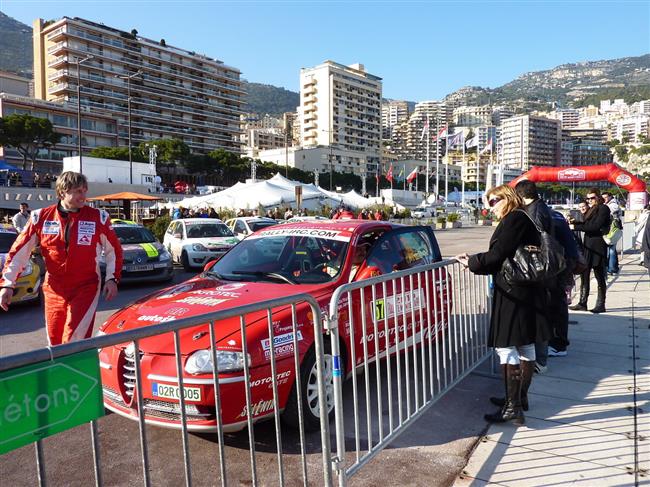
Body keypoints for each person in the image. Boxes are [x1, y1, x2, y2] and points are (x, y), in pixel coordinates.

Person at [456, 185, 550, 426]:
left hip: (514, 292)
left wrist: (472, 263)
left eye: (493, 201)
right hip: (524, 291)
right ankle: (518, 398)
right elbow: (503, 254)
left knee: (506, 347)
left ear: (506, 198)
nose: (490, 207)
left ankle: (513, 406)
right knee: (525, 346)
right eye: (488, 203)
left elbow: (498, 254)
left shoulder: (515, 219)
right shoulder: (521, 218)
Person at [0, 172, 123, 345]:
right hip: (53, 288)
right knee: (55, 341)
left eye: (84, 190)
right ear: (62, 192)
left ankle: (76, 371)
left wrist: (112, 279)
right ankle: (60, 372)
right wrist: (7, 284)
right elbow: (18, 252)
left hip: (86, 286)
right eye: (78, 191)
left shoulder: (98, 217)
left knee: (74, 339)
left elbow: (114, 251)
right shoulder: (40, 217)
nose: (83, 196)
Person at [568, 188, 611, 313]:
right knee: (584, 274)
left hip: (598, 245)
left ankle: (601, 304)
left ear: (598, 197)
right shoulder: (592, 209)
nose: (590, 200)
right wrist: (575, 222)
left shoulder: (603, 208)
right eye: (588, 198)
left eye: (592, 198)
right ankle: (582, 302)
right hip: (588, 245)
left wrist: (576, 226)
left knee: (599, 275)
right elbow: (587, 224)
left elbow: (595, 226)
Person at [602, 192, 622, 275]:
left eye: (606, 197)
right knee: (611, 249)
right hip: (613, 229)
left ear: (610, 197)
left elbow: (609, 213)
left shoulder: (613, 205)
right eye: (603, 198)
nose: (604, 199)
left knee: (611, 250)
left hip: (612, 229)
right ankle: (613, 267)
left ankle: (611, 268)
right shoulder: (613, 204)